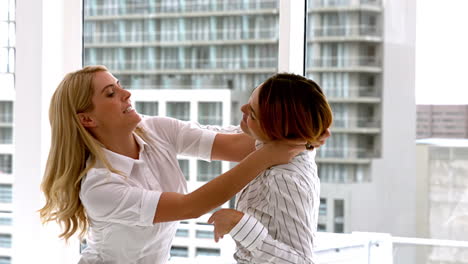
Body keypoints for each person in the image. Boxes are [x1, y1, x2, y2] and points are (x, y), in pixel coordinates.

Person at [38, 65, 329, 264]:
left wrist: (305, 133)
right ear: (87, 119)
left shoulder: (155, 130)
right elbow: (192, 206)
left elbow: (237, 144)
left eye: (120, 86)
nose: (126, 94)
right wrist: (266, 156)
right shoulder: (99, 186)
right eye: (110, 94)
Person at [208, 73, 333, 264]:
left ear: (275, 132)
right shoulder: (270, 148)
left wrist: (240, 224)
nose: (242, 108)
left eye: (252, 113)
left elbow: (300, 261)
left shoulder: (284, 178)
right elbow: (207, 135)